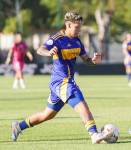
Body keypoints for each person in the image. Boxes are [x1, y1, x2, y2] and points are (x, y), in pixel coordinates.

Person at [11, 11, 112, 144]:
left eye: (80, 27)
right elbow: (40, 49)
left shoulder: (77, 41)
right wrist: (49, 52)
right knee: (81, 102)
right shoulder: (57, 38)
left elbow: (85, 58)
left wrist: (93, 60)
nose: (79, 30)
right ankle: (94, 134)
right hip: (61, 81)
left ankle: (18, 126)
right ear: (68, 25)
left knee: (47, 115)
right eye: (76, 27)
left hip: (62, 83)